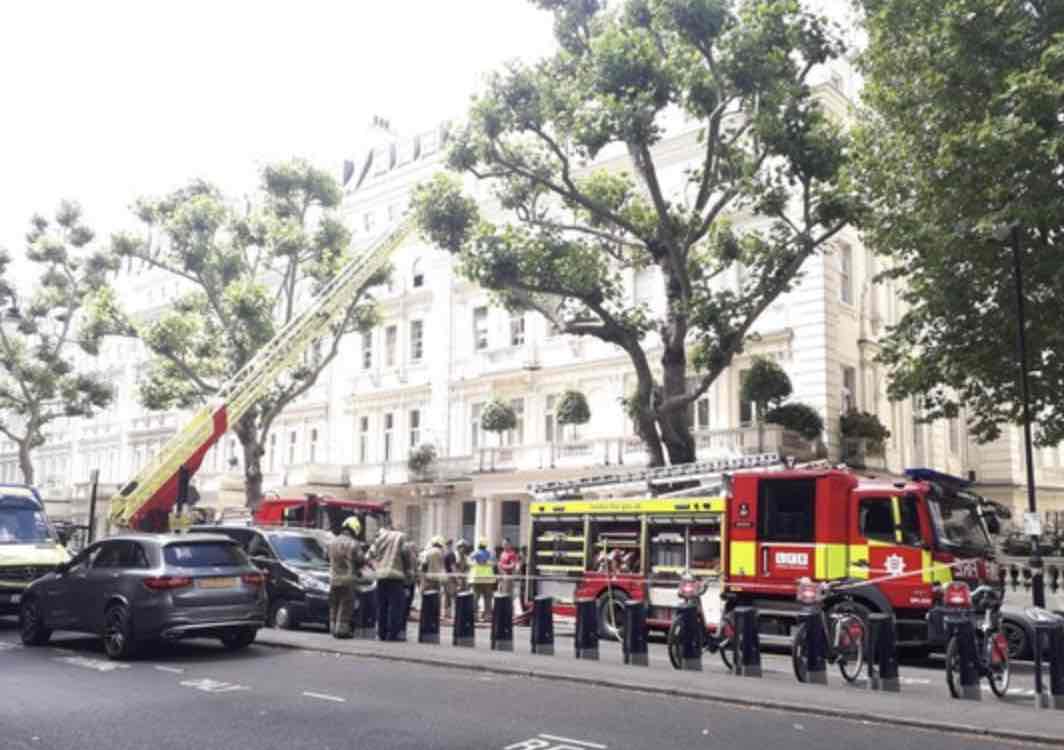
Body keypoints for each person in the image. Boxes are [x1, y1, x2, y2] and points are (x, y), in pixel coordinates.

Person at [369, 522, 415, 641]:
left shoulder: (380, 538)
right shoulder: (400, 536)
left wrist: (376, 567)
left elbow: (369, 555)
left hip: (381, 576)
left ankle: (381, 633)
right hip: (395, 576)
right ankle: (392, 634)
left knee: (382, 606)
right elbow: (405, 553)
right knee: (396, 606)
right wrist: (409, 573)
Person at [328, 517, 365, 639]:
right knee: (346, 605)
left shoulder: (332, 542)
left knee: (334, 604)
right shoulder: (353, 543)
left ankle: (333, 628)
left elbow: (327, 557)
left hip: (333, 579)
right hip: (347, 580)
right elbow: (360, 560)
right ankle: (342, 630)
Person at [469, 537, 497, 622]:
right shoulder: (490, 554)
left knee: (475, 598)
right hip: (488, 580)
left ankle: (475, 616)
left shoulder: (475, 553)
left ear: (479, 545)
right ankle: (487, 616)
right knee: (488, 598)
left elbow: (469, 562)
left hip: (477, 579)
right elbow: (494, 563)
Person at [442, 538, 457, 619]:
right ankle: (453, 613)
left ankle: (446, 613)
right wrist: (456, 577)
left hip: (445, 576)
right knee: (453, 595)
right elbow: (452, 566)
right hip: (450, 577)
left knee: (447, 595)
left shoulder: (444, 553)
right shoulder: (451, 554)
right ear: (451, 545)